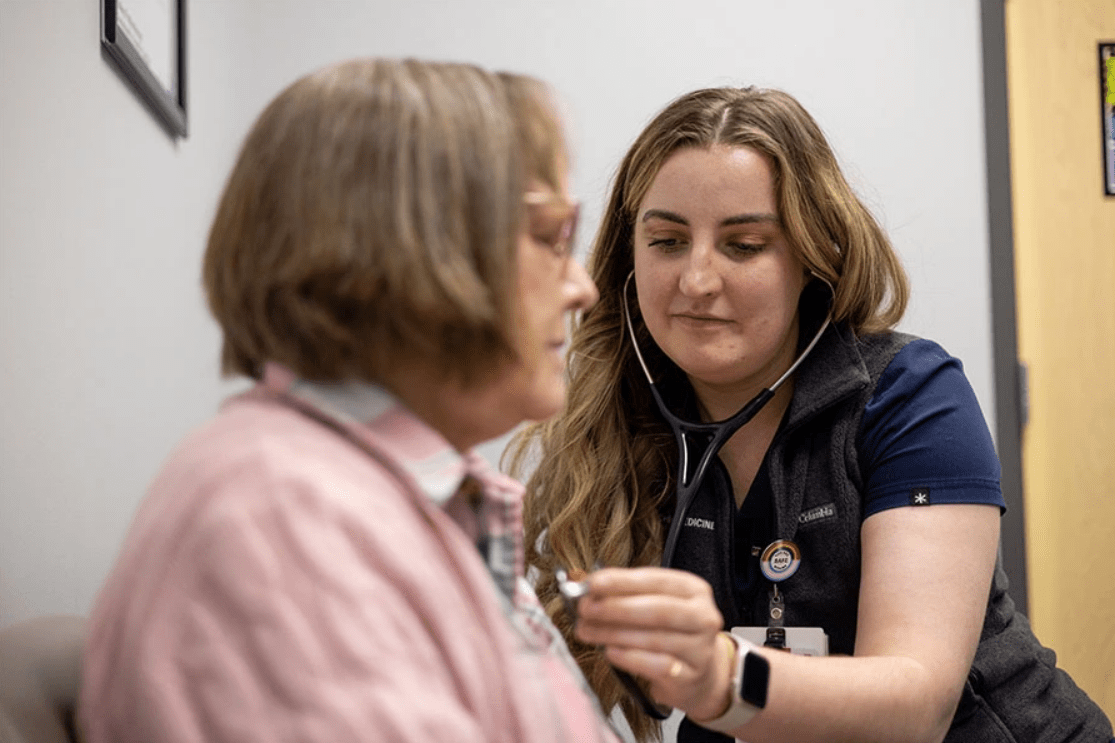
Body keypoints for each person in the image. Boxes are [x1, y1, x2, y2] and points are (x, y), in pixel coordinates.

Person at [510, 86, 1113, 742]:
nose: (696, 280)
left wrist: (721, 677)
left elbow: (916, 703)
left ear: (811, 256)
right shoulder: (615, 419)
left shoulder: (909, 394)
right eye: (666, 240)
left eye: (742, 245)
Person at [79, 57, 616, 743]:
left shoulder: (404, 498)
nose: (581, 288)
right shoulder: (284, 519)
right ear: (416, 248)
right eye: (550, 237)